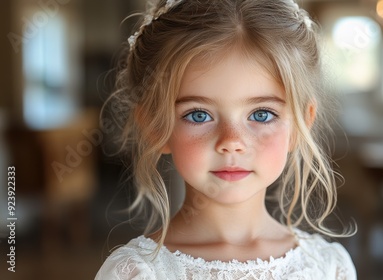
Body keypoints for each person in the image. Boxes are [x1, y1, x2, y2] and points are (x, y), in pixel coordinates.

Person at [95, 0, 356, 279]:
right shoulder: (137, 272)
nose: (232, 141)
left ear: (301, 124)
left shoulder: (329, 267)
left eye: (262, 114)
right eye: (198, 115)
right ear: (155, 126)